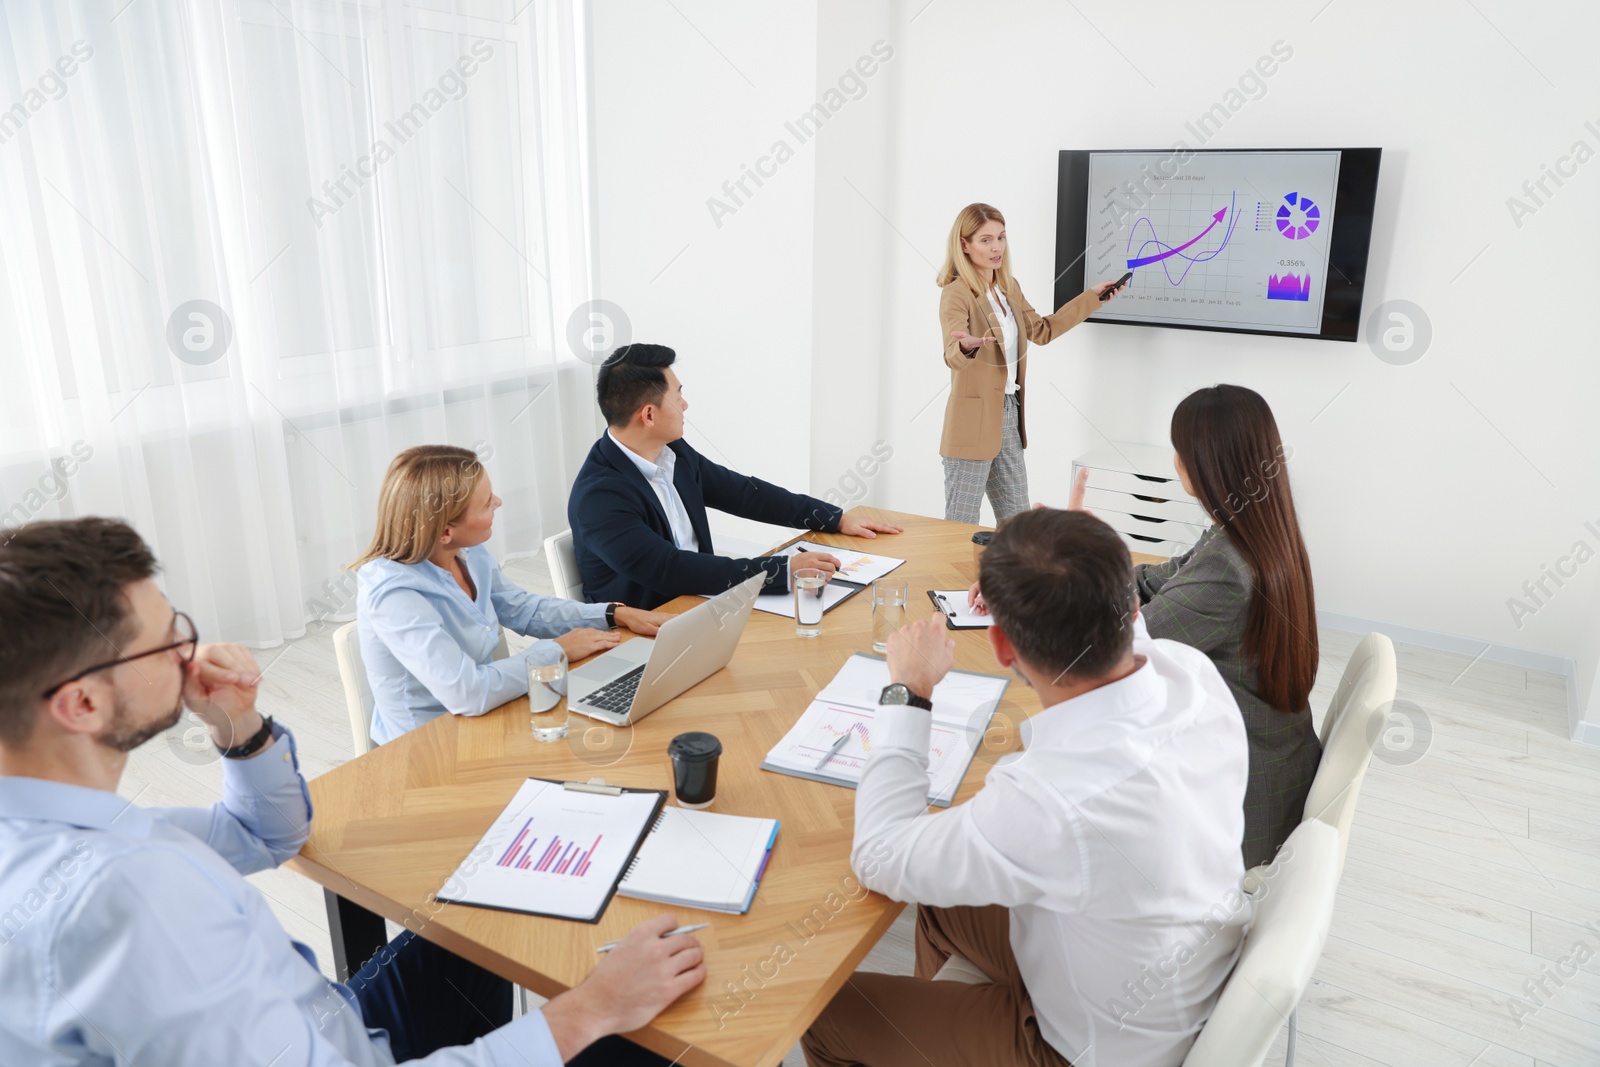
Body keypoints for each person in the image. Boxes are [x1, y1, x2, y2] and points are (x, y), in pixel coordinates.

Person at [0, 517, 706, 1065]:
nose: (192, 650)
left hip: (328, 1020)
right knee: (654, 1030)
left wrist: (239, 725)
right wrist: (588, 1011)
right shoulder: (132, 896)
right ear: (83, 705)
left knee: (471, 931)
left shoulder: (60, 824)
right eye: (165, 641)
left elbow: (265, 835)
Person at [802, 508, 1249, 1067]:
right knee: (941, 907)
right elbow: (1127, 630)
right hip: (1167, 979)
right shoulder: (1191, 675)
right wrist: (1074, 565)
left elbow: (879, 855)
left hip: (1088, 1049)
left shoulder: (1050, 798)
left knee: (823, 1017)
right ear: (1131, 605)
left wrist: (909, 691)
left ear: (1001, 648)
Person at [968, 384, 1321, 869]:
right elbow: (1153, 581)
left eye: (1180, 450)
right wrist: (1070, 566)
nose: (1175, 459)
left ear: (1201, 465)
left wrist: (1043, 577)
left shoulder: (1229, 569)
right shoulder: (1250, 533)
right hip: (1265, 758)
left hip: (1243, 807)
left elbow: (1109, 656)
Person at [352, 445, 675, 745]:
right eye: (486, 501)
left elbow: (522, 609)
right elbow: (468, 693)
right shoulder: (393, 597)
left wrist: (612, 614)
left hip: (487, 716)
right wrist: (556, 652)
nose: (498, 502)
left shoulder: (466, 552)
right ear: (446, 530)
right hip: (427, 744)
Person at [569, 343, 901, 608]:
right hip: (646, 631)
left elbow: (746, 493)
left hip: (701, 607)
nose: (685, 405)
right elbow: (668, 569)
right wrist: (782, 571)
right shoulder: (599, 496)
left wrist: (836, 519)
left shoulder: (674, 453)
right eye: (678, 395)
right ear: (649, 415)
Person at [936, 202, 1124, 525]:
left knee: (1018, 524)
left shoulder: (1008, 288)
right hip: (971, 424)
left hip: (1009, 414)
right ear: (964, 245)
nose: (997, 247)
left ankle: (1011, 578)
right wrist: (967, 346)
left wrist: (1091, 298)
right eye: (985, 240)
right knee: (960, 524)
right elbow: (952, 352)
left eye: (1001, 237)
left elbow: (1043, 330)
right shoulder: (957, 293)